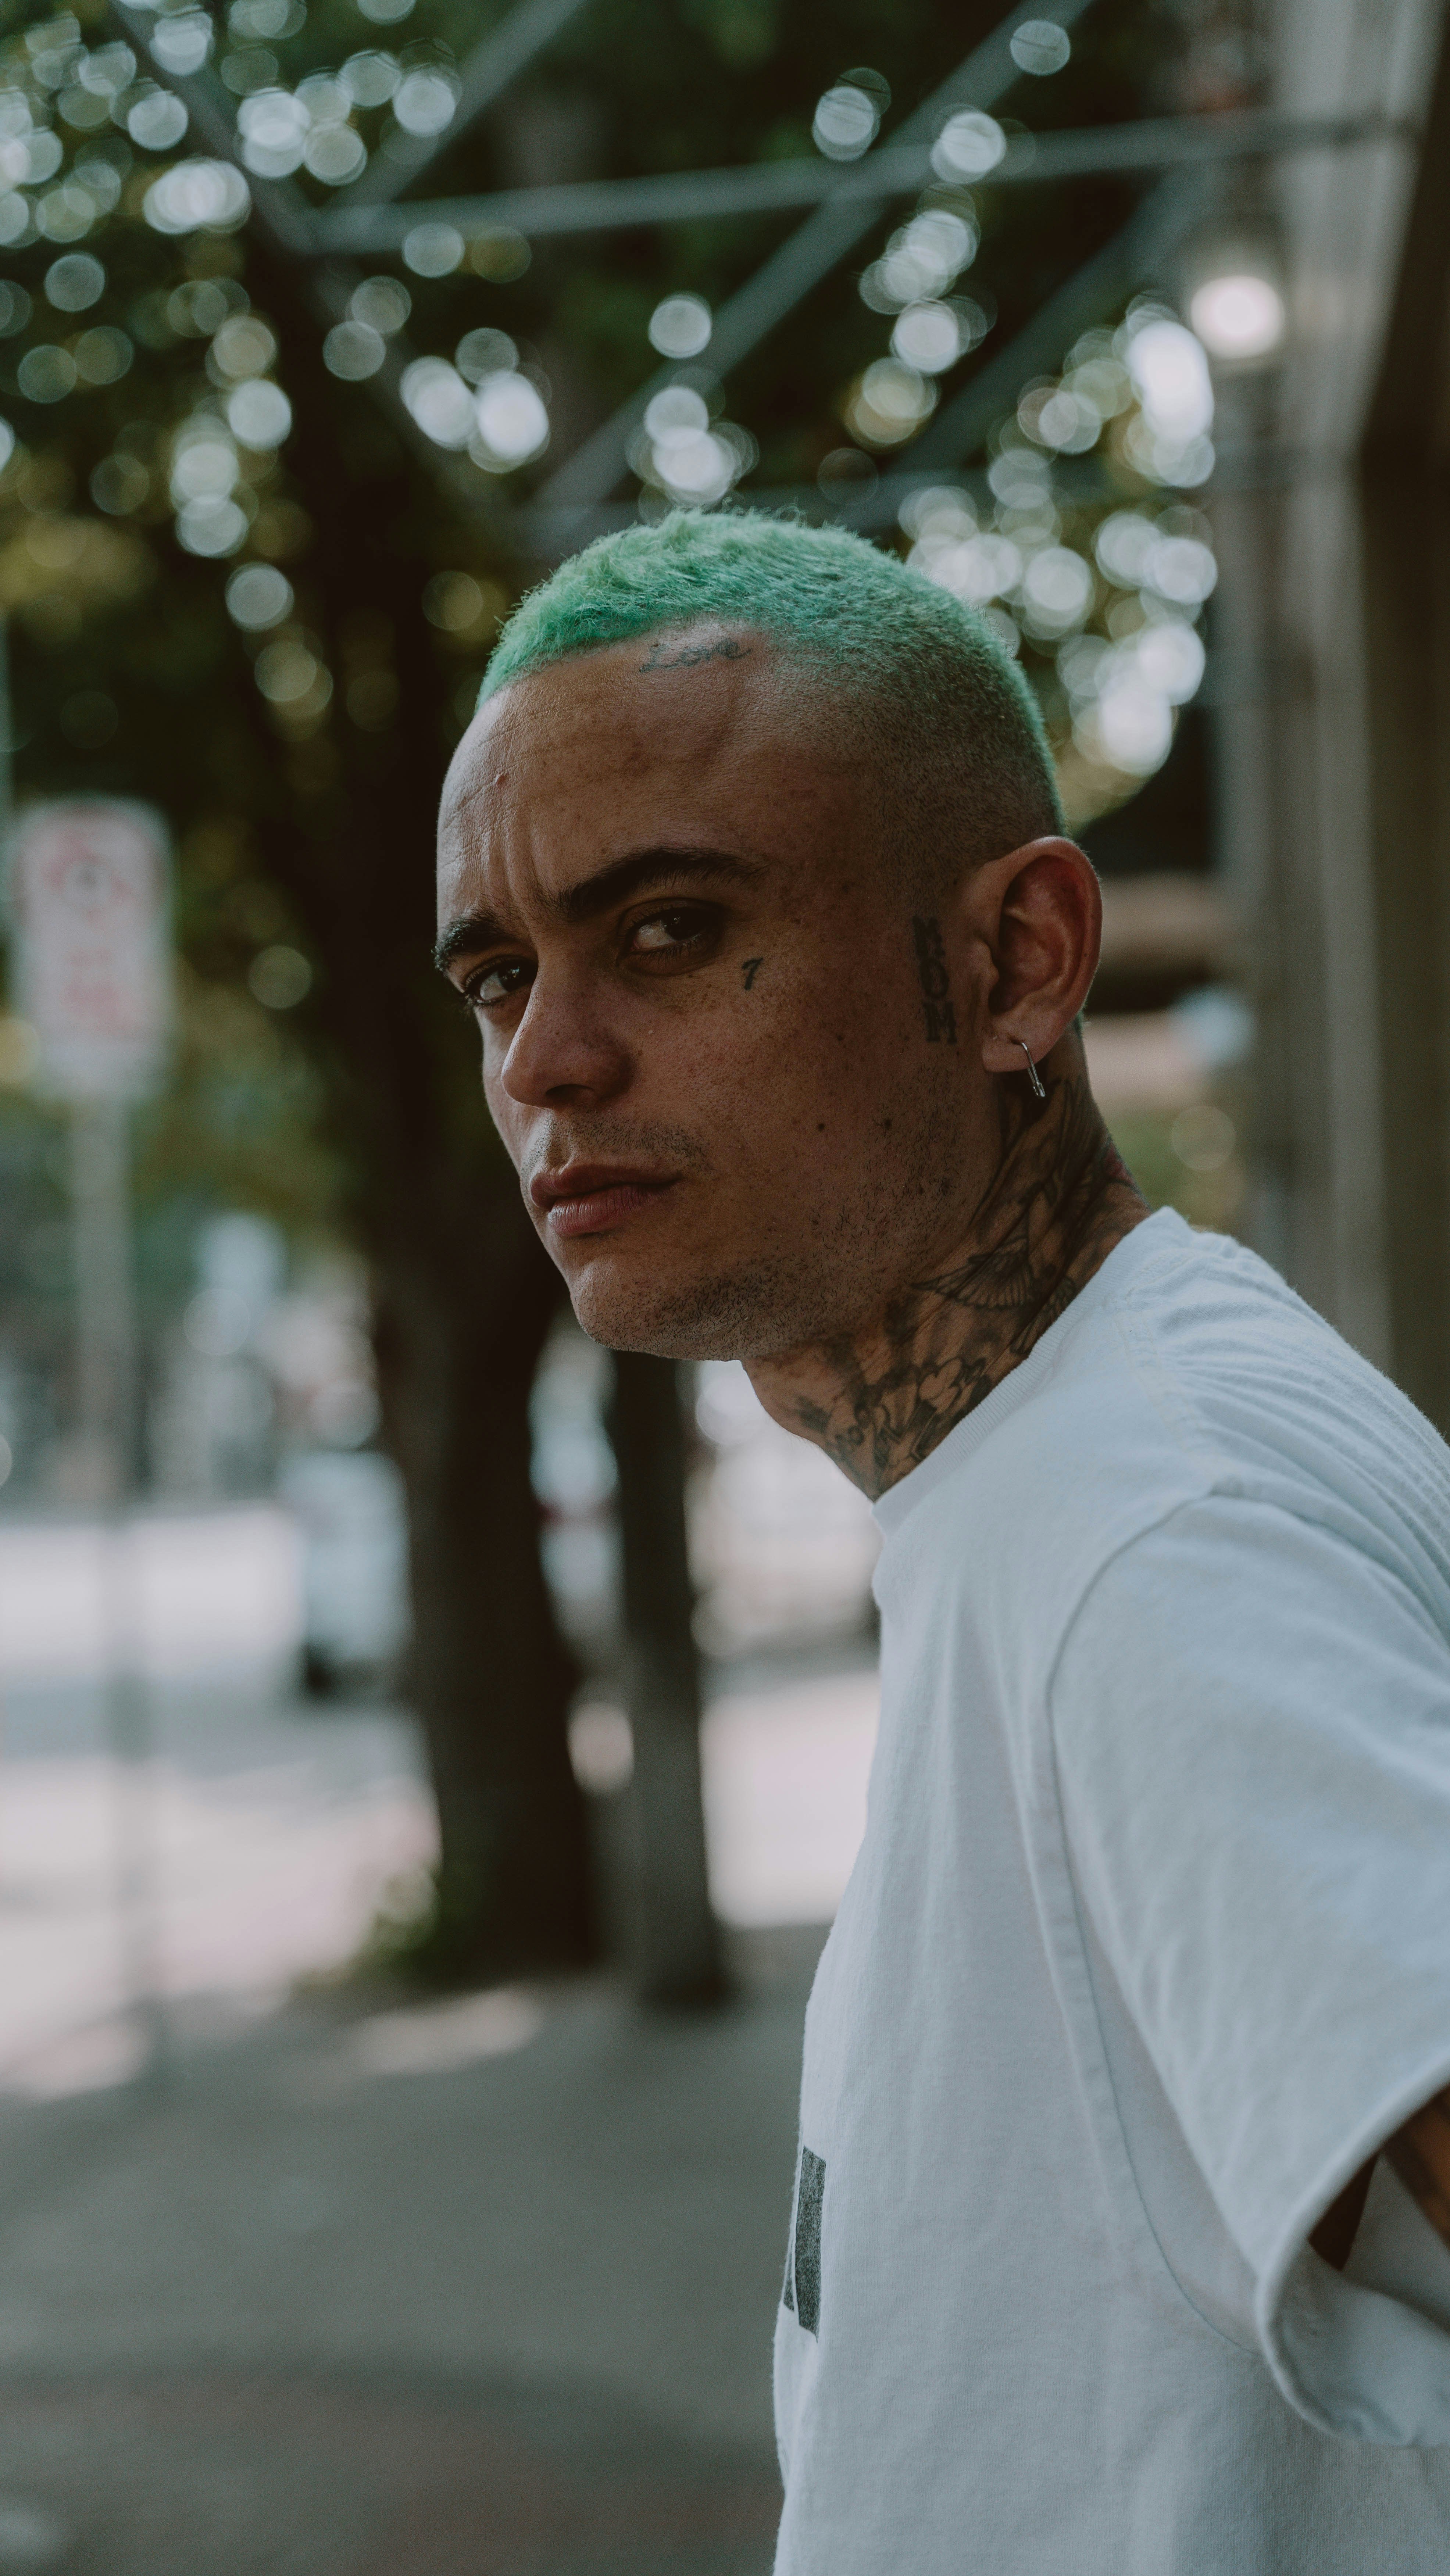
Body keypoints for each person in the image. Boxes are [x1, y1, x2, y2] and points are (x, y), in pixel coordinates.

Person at [436, 509, 1450, 2572]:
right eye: (495, 974)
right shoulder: (1109, 1437)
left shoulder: (1144, 1539)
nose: (545, 1062)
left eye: (663, 930)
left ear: (1015, 965)